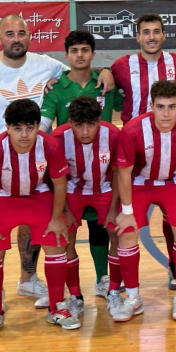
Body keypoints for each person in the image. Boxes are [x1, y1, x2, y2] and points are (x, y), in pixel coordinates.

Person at [0, 15, 114, 309]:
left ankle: (28, 279)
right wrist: (2, 149)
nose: (16, 39)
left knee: (31, 224)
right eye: (9, 34)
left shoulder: (46, 65)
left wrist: (105, 70)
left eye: (21, 33)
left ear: (30, 36)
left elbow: (78, 69)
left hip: (35, 166)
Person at [0, 99, 80, 338]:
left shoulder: (49, 146)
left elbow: (59, 184)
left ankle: (57, 307)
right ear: (7, 128)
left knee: (56, 239)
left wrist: (56, 218)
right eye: (18, 128)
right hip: (1, 197)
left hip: (37, 195)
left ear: (37, 127)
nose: (24, 135)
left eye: (30, 128)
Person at [111, 13, 176, 290]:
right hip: (134, 156)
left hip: (171, 154)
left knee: (175, 219)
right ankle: (118, 281)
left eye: (156, 31)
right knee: (120, 220)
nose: (151, 37)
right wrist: (102, 71)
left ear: (163, 35)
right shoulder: (121, 66)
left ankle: (175, 267)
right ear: (137, 36)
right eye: (146, 32)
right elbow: (103, 82)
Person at [114, 80, 176, 322]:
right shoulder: (133, 130)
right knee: (126, 232)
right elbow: (124, 172)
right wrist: (126, 211)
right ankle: (133, 297)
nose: (166, 114)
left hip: (174, 181)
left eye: (172, 107)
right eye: (161, 107)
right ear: (152, 106)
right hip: (139, 183)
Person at [41, 30, 124, 297]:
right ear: (66, 55)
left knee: (102, 231)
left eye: (84, 50)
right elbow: (43, 127)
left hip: (103, 173)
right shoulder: (56, 88)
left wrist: (108, 71)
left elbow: (130, 105)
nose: (79, 55)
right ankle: (65, 290)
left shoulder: (105, 84)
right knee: (64, 233)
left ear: (93, 54)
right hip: (71, 175)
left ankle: (103, 279)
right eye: (74, 51)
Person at [52, 96, 121, 317]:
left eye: (91, 124)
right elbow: (55, 180)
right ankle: (75, 295)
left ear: (99, 121)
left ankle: (113, 290)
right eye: (78, 125)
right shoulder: (58, 139)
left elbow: (118, 174)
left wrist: (113, 208)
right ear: (70, 122)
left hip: (105, 189)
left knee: (117, 235)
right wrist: (65, 210)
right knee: (65, 239)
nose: (84, 131)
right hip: (72, 192)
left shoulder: (113, 135)